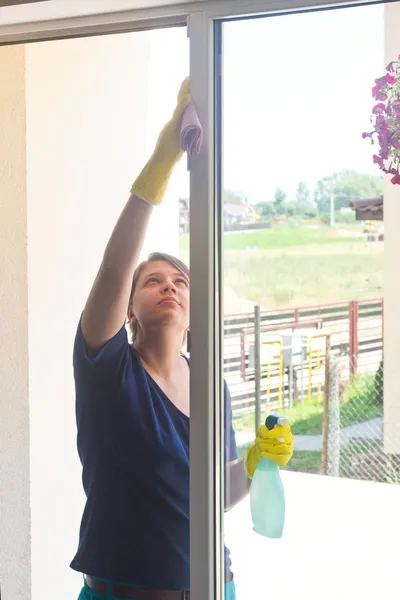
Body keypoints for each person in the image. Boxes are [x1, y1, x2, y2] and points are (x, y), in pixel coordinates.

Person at [72, 78, 293, 600]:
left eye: (179, 282)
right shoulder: (109, 370)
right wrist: (162, 163)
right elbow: (112, 270)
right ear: (129, 306)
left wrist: (258, 463)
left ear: (193, 306)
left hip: (217, 588)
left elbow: (215, 495)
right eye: (152, 281)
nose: (168, 287)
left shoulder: (210, 385)